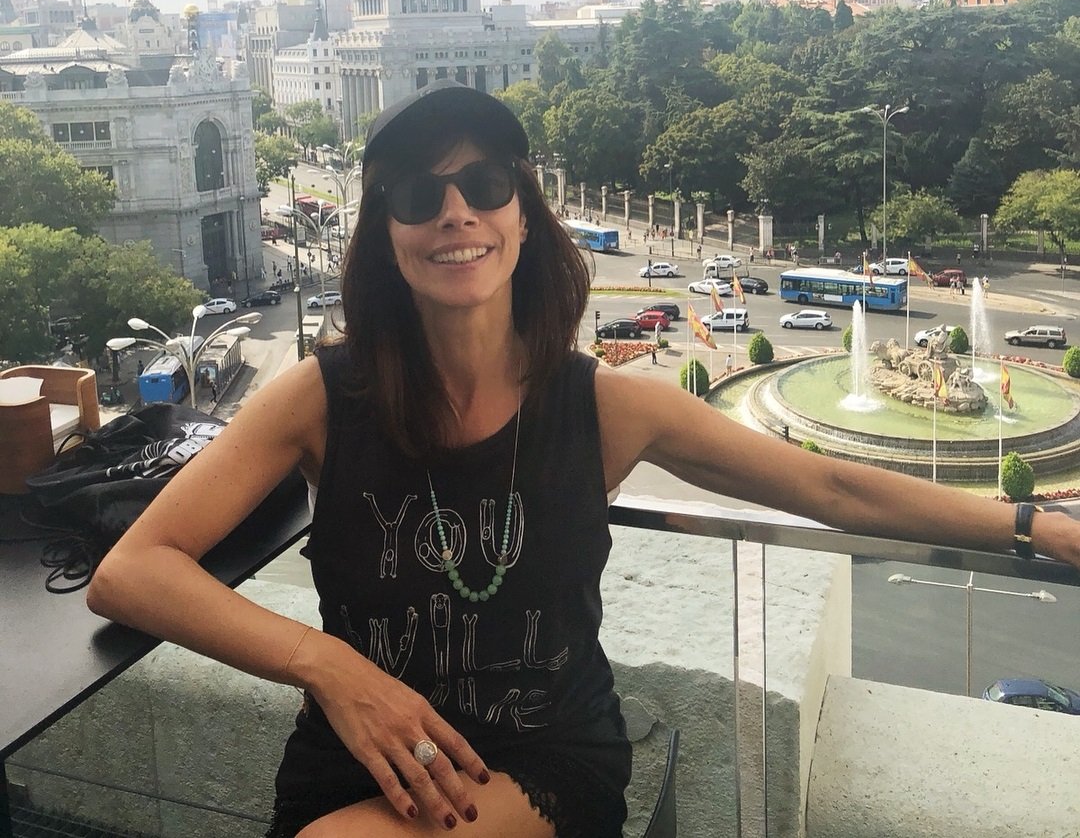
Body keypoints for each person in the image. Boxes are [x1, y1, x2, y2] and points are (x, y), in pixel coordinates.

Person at [87, 82, 1080, 838]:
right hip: (359, 748)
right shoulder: (321, 395)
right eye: (419, 194)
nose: (456, 213)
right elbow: (132, 572)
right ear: (386, 235)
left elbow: (828, 484)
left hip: (541, 757)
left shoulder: (605, 406)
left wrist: (1032, 523)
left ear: (522, 215)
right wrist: (331, 669)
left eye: (485, 185)